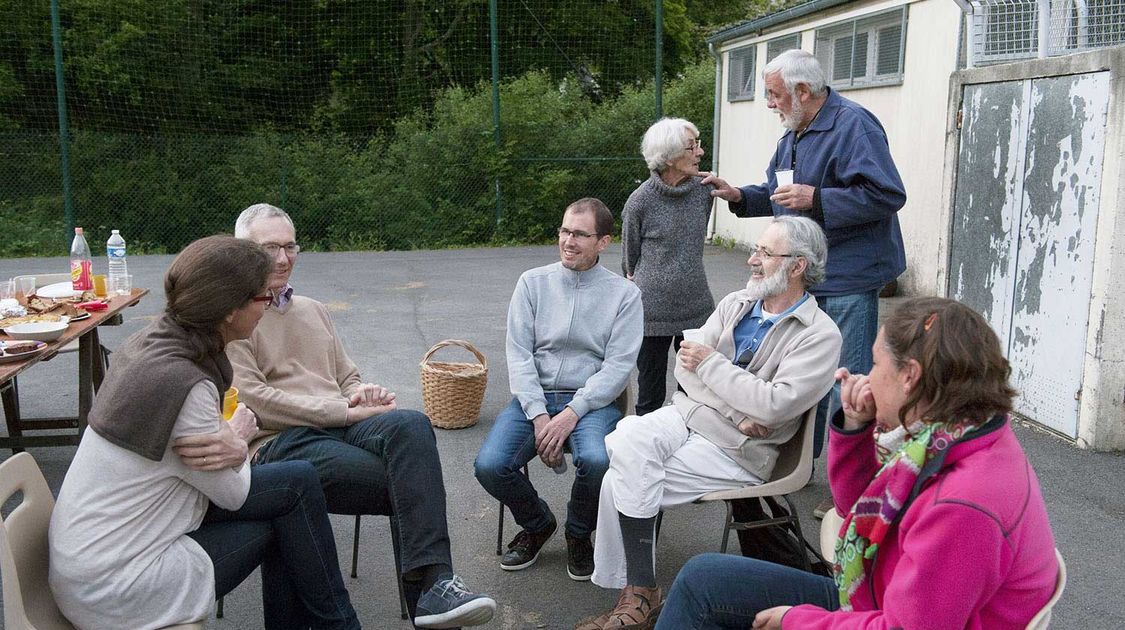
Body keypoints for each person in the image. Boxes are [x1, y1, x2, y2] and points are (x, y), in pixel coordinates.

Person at [654, 297, 1059, 630]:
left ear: (910, 377)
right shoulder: (954, 435)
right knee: (702, 578)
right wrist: (853, 428)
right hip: (882, 597)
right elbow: (858, 513)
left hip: (886, 612)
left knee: (704, 592)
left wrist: (798, 620)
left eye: (877, 363)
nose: (866, 375)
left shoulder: (962, 502)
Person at [49, 236, 361, 630]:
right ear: (231, 310)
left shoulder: (151, 345)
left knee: (296, 481)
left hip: (89, 564)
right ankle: (340, 625)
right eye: (264, 298)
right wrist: (236, 441)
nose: (268, 308)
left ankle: (336, 624)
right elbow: (232, 495)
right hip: (119, 588)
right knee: (285, 511)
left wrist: (229, 443)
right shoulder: (186, 385)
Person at [225, 203, 495, 629]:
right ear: (242, 251)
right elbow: (254, 399)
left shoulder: (313, 308)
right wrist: (343, 410)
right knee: (412, 484)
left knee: (410, 423)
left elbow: (346, 376)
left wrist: (359, 393)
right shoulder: (234, 314)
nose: (282, 258)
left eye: (290, 246)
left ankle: (435, 586)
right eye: (269, 247)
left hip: (337, 427)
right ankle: (430, 595)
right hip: (282, 443)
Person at [578, 216, 841, 630]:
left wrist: (713, 366)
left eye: (765, 253)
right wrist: (738, 409)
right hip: (692, 416)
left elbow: (773, 407)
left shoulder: (819, 335)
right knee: (626, 434)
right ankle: (641, 592)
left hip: (739, 449)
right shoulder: (737, 303)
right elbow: (686, 370)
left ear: (797, 266)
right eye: (756, 250)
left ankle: (637, 594)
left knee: (619, 480)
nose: (752, 260)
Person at [703, 49, 907, 487]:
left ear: (802, 91)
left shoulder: (855, 125)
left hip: (850, 275)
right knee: (802, 375)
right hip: (807, 274)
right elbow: (780, 192)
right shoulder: (793, 134)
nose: (770, 103)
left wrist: (818, 198)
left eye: (774, 94)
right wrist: (739, 195)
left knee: (843, 382)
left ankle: (850, 488)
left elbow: (888, 195)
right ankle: (797, 469)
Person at [475, 197, 643, 583]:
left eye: (581, 234)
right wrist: (539, 416)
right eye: (565, 231)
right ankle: (538, 524)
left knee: (598, 461)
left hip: (593, 402)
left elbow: (618, 368)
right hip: (534, 397)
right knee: (489, 465)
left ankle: (578, 532)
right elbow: (518, 355)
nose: (569, 241)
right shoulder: (532, 282)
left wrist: (571, 414)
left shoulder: (625, 295)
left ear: (603, 242)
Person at [622, 117, 716, 417]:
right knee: (650, 394)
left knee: (695, 389)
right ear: (669, 156)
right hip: (651, 313)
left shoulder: (705, 191)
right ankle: (645, 451)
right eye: (692, 146)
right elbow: (629, 259)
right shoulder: (639, 202)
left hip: (696, 307)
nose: (700, 152)